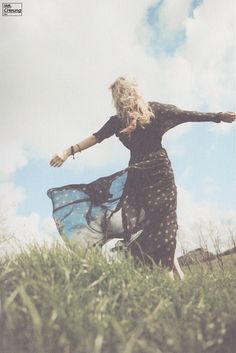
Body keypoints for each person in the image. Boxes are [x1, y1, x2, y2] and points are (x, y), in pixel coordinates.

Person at [48, 76, 235, 279]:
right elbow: (96, 137)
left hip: (161, 176)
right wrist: (67, 151)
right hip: (138, 178)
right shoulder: (117, 121)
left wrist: (217, 116)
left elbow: (185, 115)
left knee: (166, 223)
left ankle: (174, 278)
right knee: (153, 225)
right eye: (116, 95)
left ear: (133, 92)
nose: (121, 98)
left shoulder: (155, 110)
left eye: (123, 92)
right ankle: (174, 277)